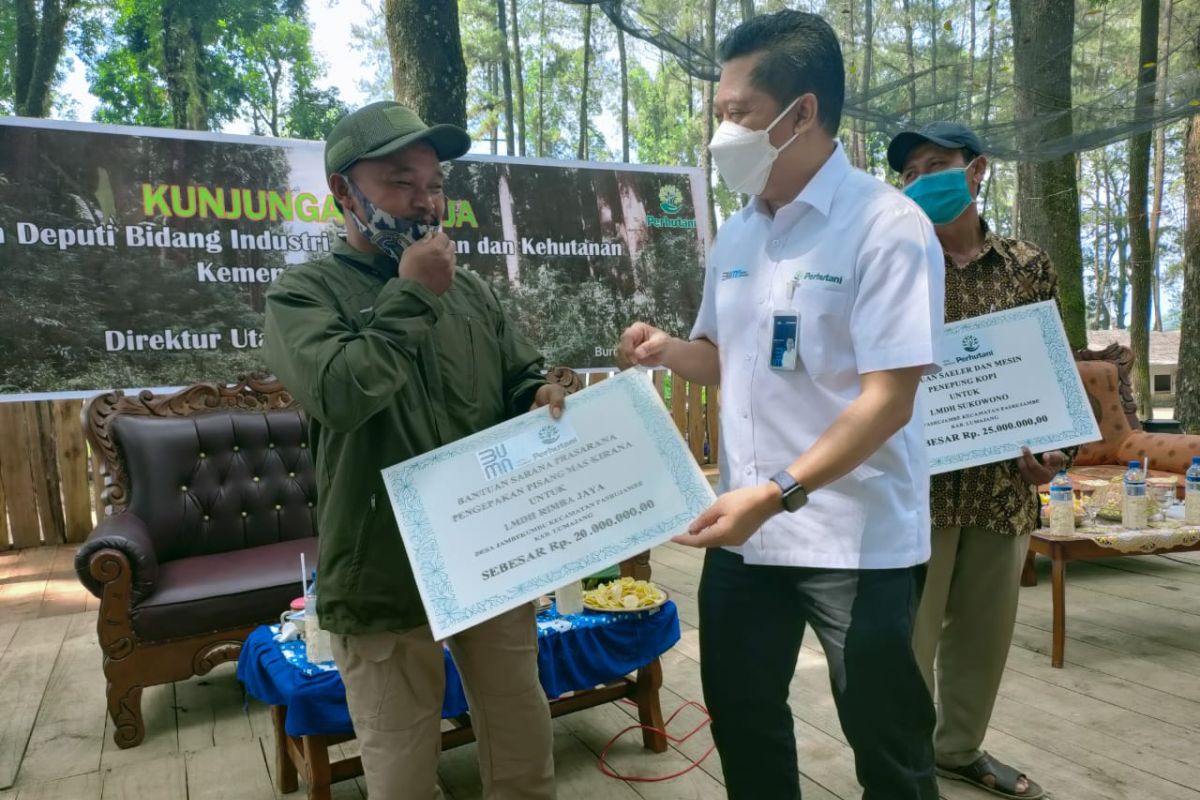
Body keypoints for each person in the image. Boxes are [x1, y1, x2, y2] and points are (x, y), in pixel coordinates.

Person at [618, 11, 944, 800]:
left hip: (853, 541)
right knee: (744, 717)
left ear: (802, 113)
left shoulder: (886, 228)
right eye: (719, 113)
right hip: (746, 538)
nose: (721, 133)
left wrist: (779, 492)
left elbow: (889, 399)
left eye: (738, 114)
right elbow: (729, 360)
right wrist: (667, 351)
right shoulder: (737, 236)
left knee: (886, 739)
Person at [264, 101, 561, 800]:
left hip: (492, 558)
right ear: (344, 191)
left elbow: (519, 373)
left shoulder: (474, 291)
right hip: (381, 578)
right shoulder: (302, 295)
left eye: (434, 185)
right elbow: (341, 393)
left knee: (525, 752)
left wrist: (542, 392)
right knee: (399, 776)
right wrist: (413, 296)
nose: (426, 202)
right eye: (402, 183)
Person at [888, 120, 1072, 800]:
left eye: (936, 163)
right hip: (913, 491)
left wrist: (1057, 451)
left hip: (1003, 491)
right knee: (906, 643)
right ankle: (901, 767)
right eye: (909, 173)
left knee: (984, 639)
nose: (921, 180)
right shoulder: (893, 265)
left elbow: (1055, 369)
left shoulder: (1029, 266)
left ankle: (958, 749)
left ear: (977, 170)